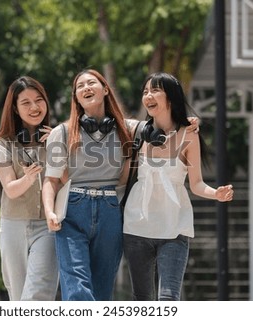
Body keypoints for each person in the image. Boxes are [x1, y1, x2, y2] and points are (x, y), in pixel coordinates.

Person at [123, 72, 234, 301]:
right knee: (141, 299)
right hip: (137, 226)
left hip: (174, 226)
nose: (148, 96)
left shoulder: (189, 135)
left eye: (155, 90)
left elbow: (196, 184)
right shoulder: (137, 132)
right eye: (145, 92)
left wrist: (216, 194)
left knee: (169, 298)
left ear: (171, 97)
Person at [42, 69, 134, 300]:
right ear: (76, 97)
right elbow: (51, 179)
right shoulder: (60, 133)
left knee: (102, 291)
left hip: (110, 210)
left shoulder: (126, 129)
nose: (86, 87)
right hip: (73, 210)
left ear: (105, 89)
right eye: (80, 86)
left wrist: (187, 123)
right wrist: (50, 211)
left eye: (91, 82)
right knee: (77, 289)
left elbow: (159, 126)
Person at [0, 76, 58, 301]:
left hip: (47, 226)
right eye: (26, 102)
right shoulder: (2, 144)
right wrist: (29, 177)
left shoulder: (57, 139)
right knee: (18, 296)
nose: (34, 107)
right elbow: (10, 189)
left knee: (39, 293)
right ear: (15, 109)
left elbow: (69, 181)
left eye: (39, 100)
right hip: (14, 225)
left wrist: (59, 146)